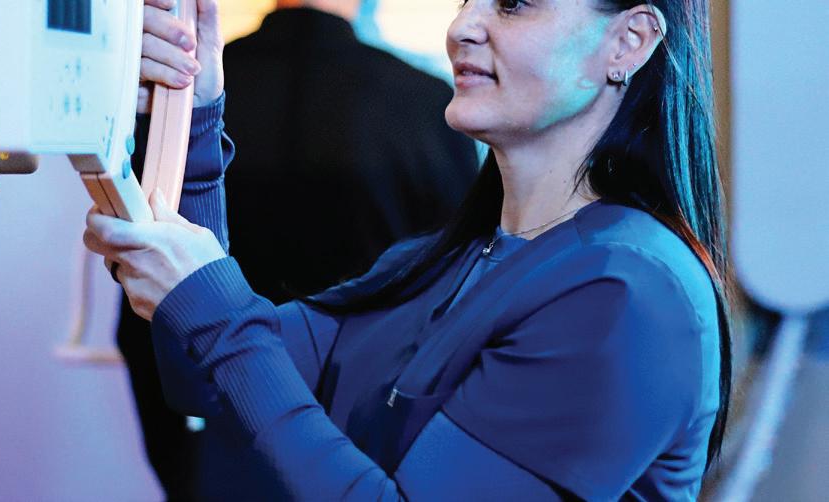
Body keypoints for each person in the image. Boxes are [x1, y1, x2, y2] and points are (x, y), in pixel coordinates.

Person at [90, 0, 732, 498]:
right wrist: (194, 115)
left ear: (629, 41)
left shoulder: (625, 290)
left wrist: (211, 301)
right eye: (469, 0)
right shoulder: (439, 264)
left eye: (513, 3)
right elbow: (207, 376)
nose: (463, 27)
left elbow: (223, 334)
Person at [113, 1, 479, 498]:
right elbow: (451, 304)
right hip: (364, 446)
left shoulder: (180, 91)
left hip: (215, 428)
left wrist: (181, 470)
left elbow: (144, 297)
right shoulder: (425, 103)